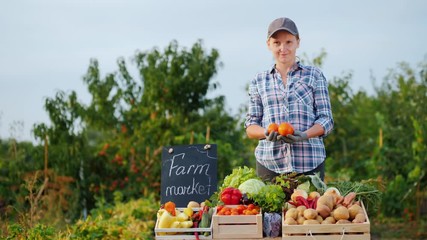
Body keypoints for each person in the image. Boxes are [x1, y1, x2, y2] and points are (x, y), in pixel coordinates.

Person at [244, 17, 334, 182]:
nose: (283, 48)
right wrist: (265, 132)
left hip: (309, 161)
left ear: (298, 42)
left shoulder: (314, 75)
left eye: (288, 42)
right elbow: (250, 125)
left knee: (309, 208)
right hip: (269, 163)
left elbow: (326, 119)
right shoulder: (259, 80)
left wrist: (304, 135)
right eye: (277, 43)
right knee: (271, 208)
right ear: (268, 44)